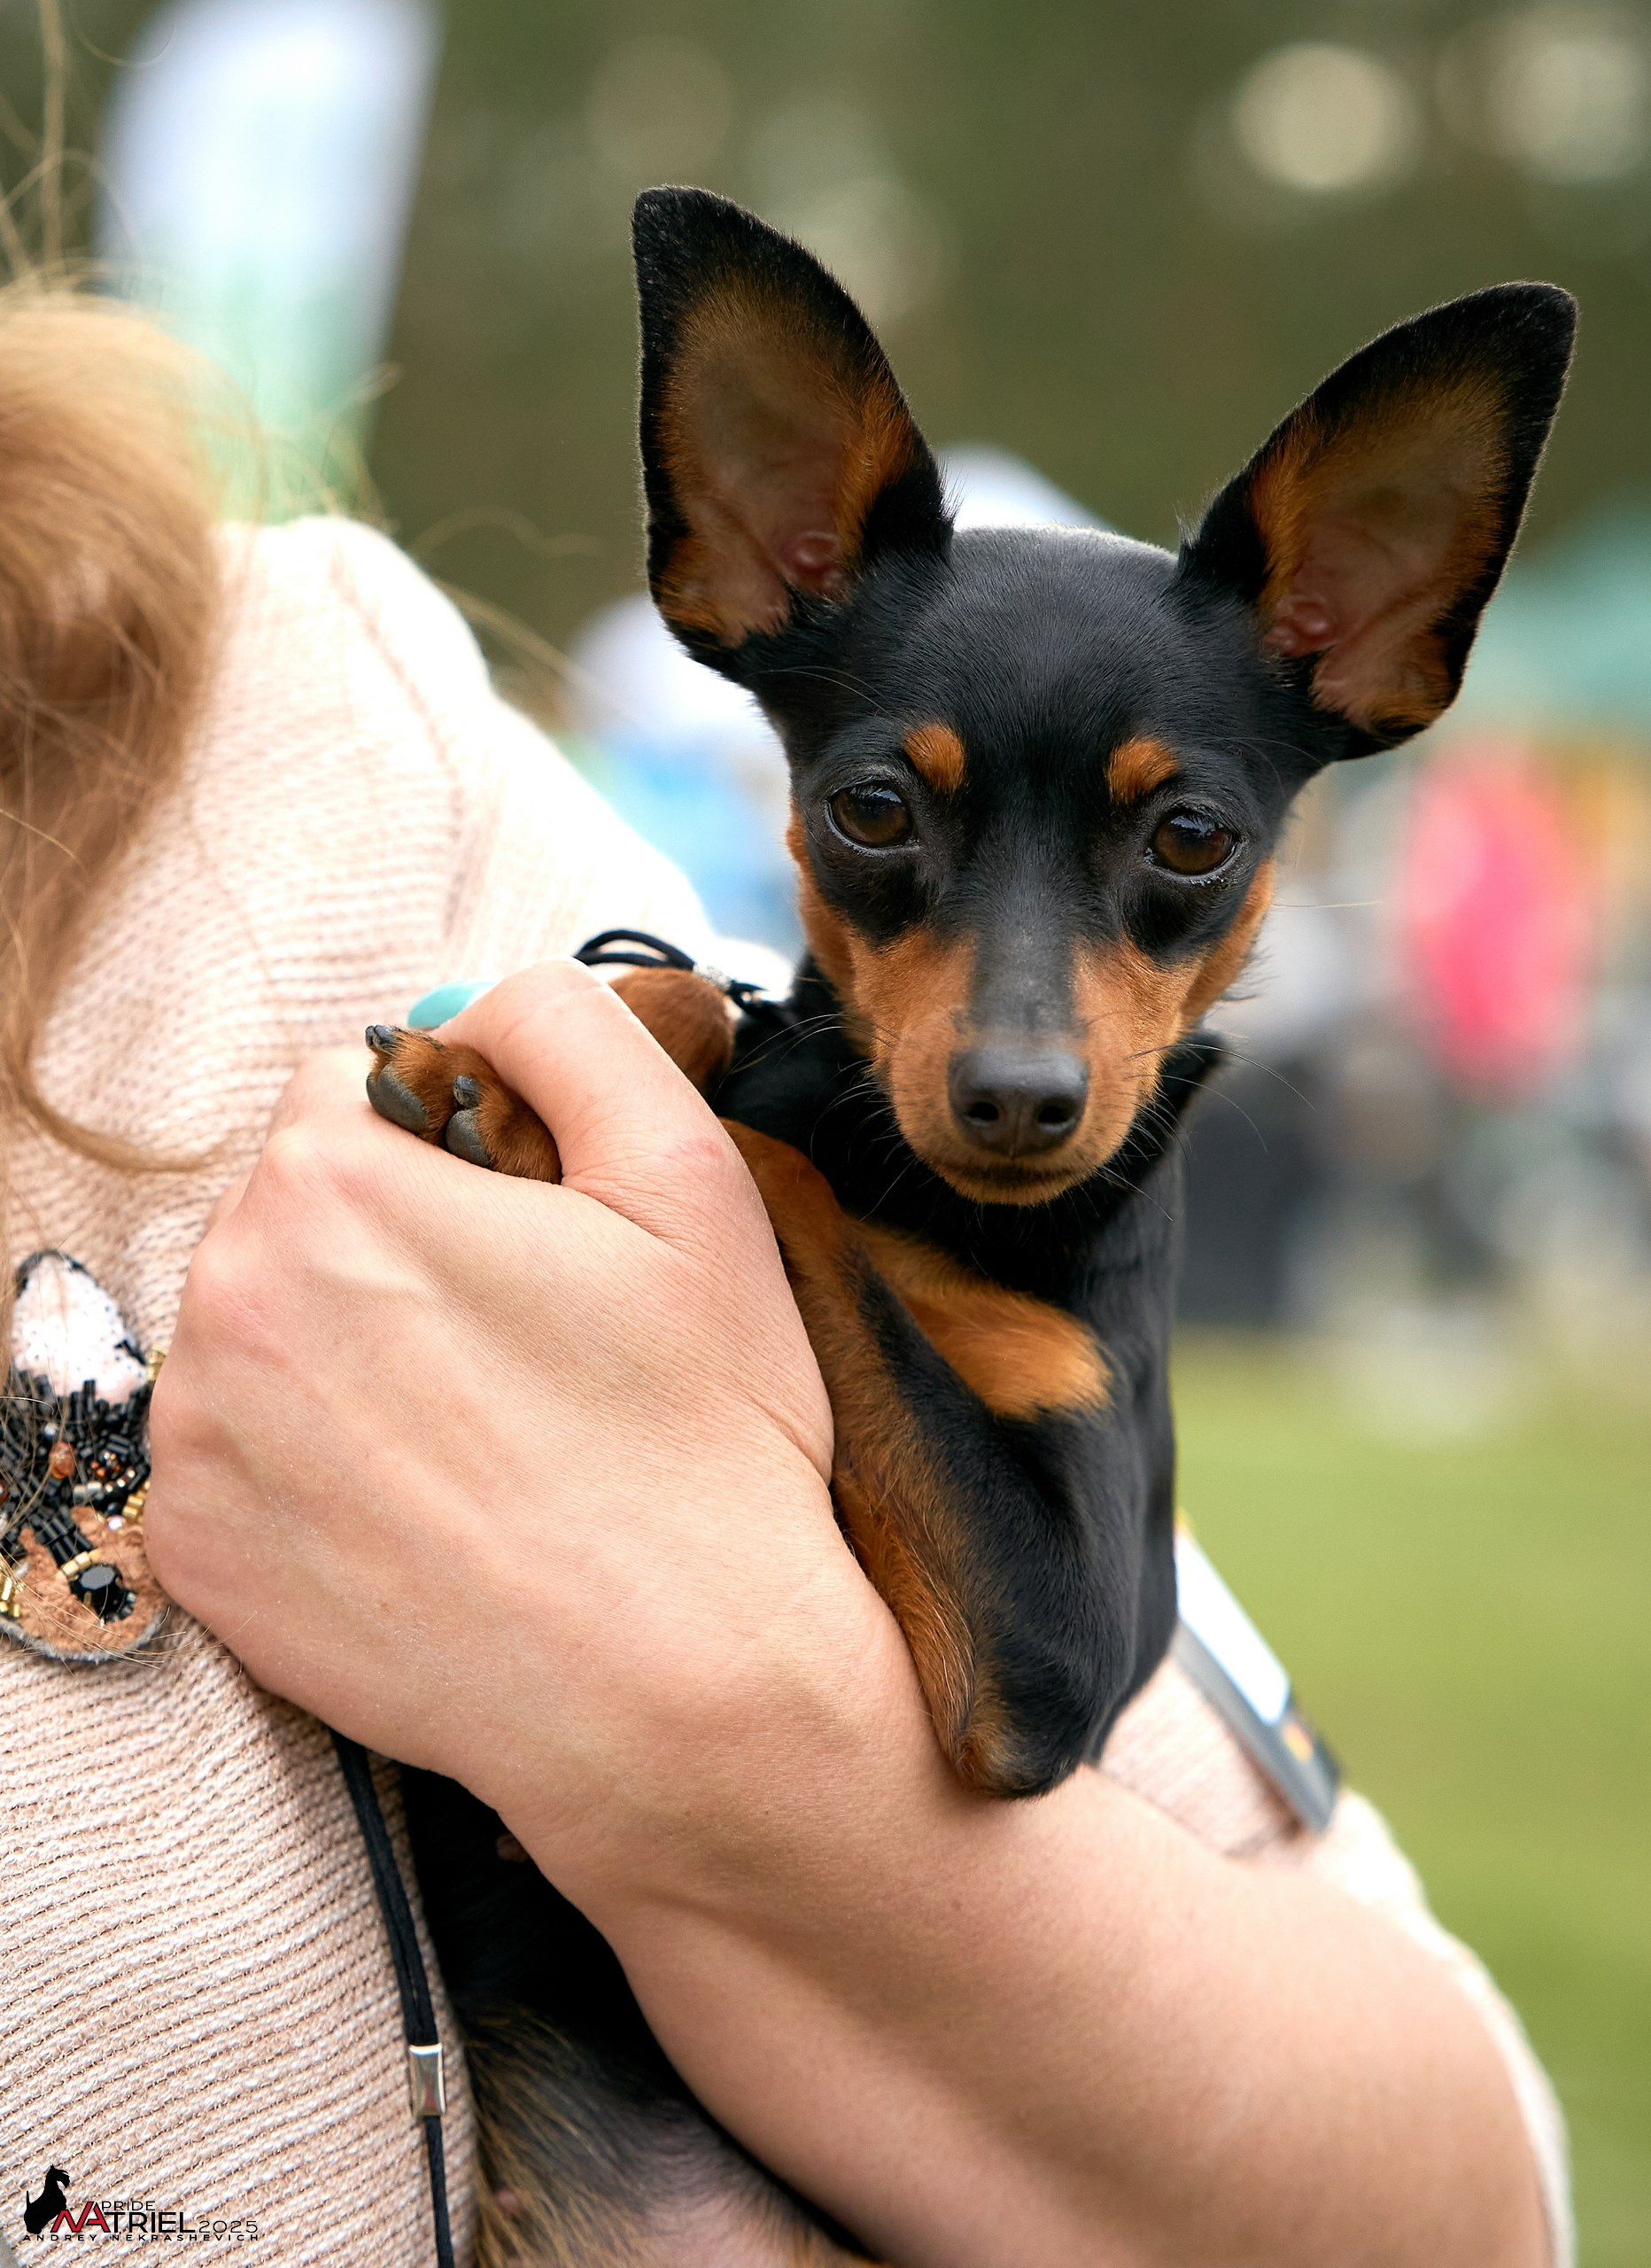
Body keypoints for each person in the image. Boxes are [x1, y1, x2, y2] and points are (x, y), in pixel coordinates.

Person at [1, 283, 1569, 2266]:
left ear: (1368, 632)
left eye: (1175, 840)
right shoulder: (718, 1067)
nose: (1020, 1040)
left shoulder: (340, 741)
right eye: (887, 818)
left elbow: (1019, 1705)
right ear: (759, 565)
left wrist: (770, 1211)